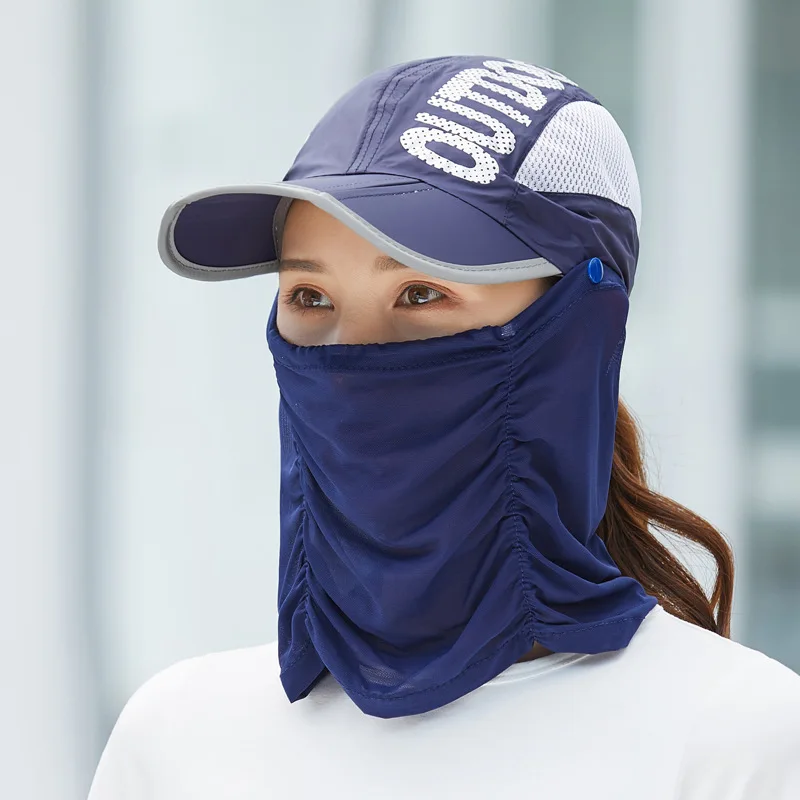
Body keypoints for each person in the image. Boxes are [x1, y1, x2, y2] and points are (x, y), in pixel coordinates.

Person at [87, 55, 800, 799]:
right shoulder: (180, 741)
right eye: (310, 296)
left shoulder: (736, 742)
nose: (351, 355)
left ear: (575, 333)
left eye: (421, 292)